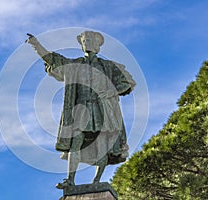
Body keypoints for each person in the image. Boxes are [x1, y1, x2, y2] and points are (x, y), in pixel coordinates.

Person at [26, 31, 135, 189]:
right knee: (75, 142)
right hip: (81, 109)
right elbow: (54, 60)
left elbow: (125, 84)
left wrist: (111, 92)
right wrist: (36, 45)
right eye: (85, 40)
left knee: (102, 146)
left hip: (102, 110)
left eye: (91, 40)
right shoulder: (75, 65)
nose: (88, 43)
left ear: (98, 46)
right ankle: (70, 179)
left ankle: (97, 181)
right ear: (81, 44)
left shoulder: (108, 66)